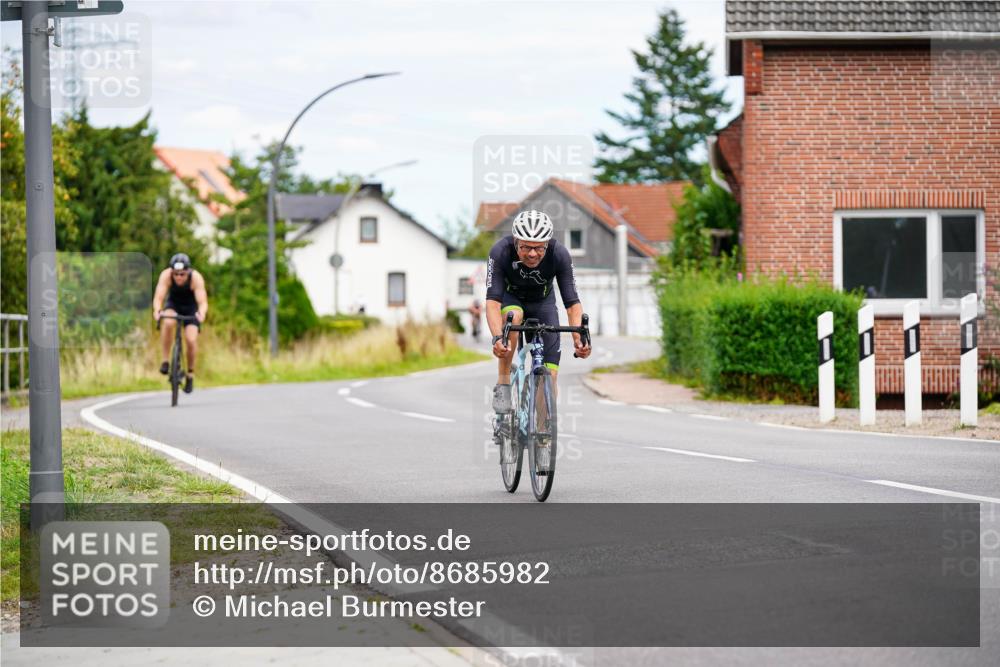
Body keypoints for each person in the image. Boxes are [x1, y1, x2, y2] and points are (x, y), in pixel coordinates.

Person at [485, 210, 591, 414]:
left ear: (547, 244)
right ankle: (504, 382)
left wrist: (579, 340)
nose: (532, 254)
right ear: (516, 242)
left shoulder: (559, 254)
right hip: (511, 299)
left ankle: (542, 437)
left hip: (543, 303)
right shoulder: (500, 251)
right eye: (526, 247)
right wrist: (498, 338)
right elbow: (492, 302)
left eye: (539, 248)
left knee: (549, 377)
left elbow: (572, 304)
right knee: (513, 317)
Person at [152, 253, 208, 394]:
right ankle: (166, 361)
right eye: (176, 274)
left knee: (191, 339)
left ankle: (190, 373)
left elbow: (202, 301)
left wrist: (201, 313)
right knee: (168, 322)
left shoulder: (196, 278)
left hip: (191, 308)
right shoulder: (166, 275)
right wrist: (158, 310)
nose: (178, 277)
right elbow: (159, 297)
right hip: (173, 305)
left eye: (182, 274)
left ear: (188, 271)